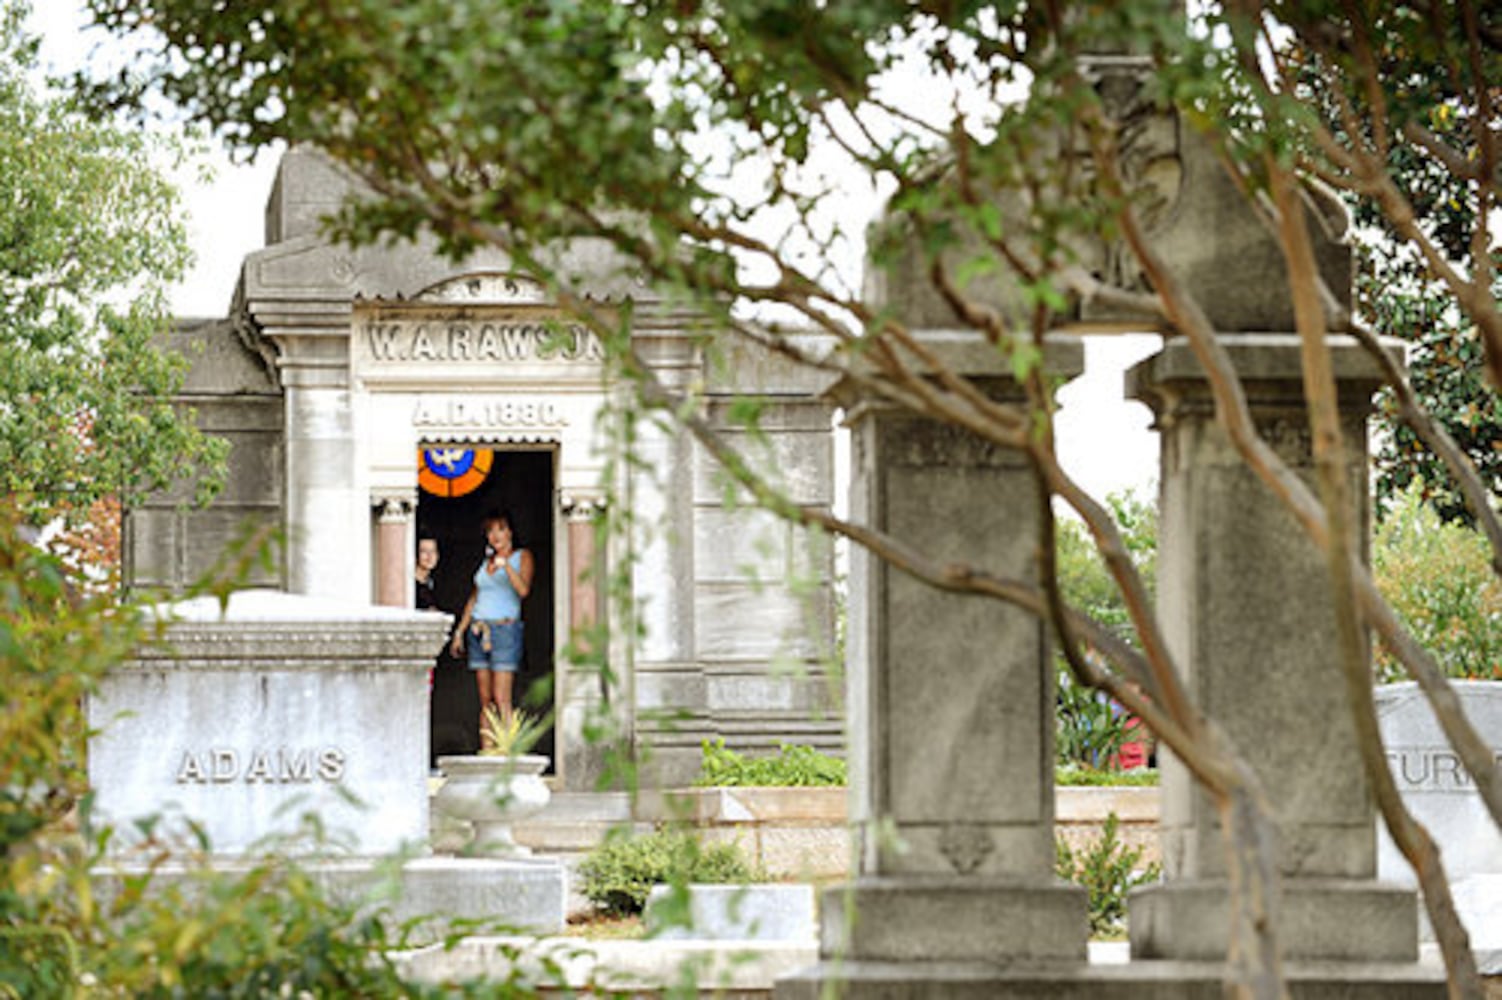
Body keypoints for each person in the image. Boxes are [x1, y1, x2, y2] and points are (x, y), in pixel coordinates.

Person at [451, 512, 534, 739]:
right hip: (478, 630)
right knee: (485, 699)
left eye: (500, 529)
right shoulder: (484, 562)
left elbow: (523, 590)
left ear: (510, 532)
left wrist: (506, 566)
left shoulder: (521, 556)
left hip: (504, 630)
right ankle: (487, 752)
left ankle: (506, 754)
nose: (495, 535)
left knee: (501, 696)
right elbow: (474, 598)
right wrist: (460, 631)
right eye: (490, 531)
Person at [415, 536, 440, 610]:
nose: (430, 556)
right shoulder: (409, 585)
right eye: (424, 551)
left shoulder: (431, 582)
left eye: (433, 551)